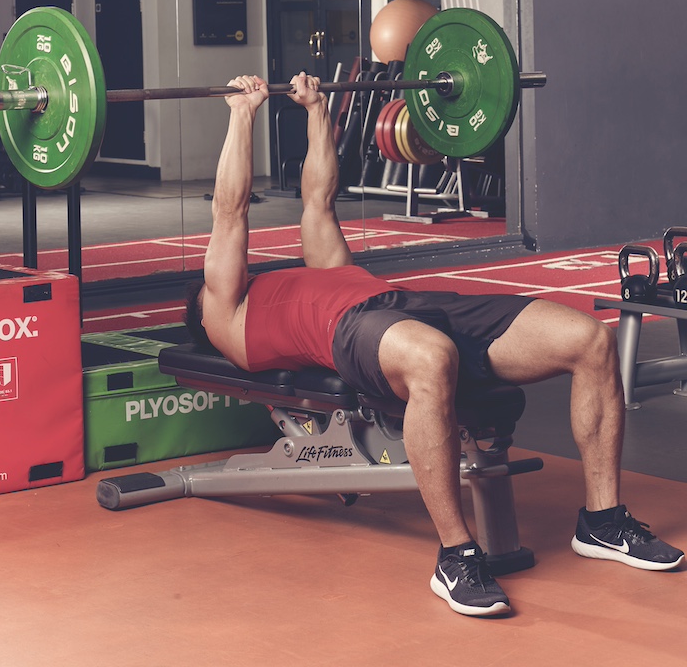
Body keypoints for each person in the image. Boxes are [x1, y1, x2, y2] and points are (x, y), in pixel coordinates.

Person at [185, 71, 683, 618]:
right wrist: (241, 113)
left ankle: (603, 521)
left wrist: (316, 110)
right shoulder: (225, 313)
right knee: (432, 357)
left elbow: (318, 199)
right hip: (352, 333)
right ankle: (456, 555)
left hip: (408, 304)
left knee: (589, 339)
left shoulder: (320, 269)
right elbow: (230, 212)